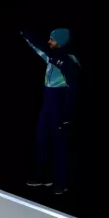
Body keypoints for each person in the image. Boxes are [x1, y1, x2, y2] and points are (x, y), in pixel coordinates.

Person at [23, 28, 80, 195]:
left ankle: (60, 183)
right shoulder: (52, 56)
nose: (49, 41)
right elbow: (38, 48)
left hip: (60, 103)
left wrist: (68, 116)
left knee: (59, 143)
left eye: (52, 39)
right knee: (42, 140)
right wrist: (25, 34)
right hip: (47, 102)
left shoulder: (70, 61)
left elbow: (75, 90)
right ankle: (42, 176)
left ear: (60, 42)